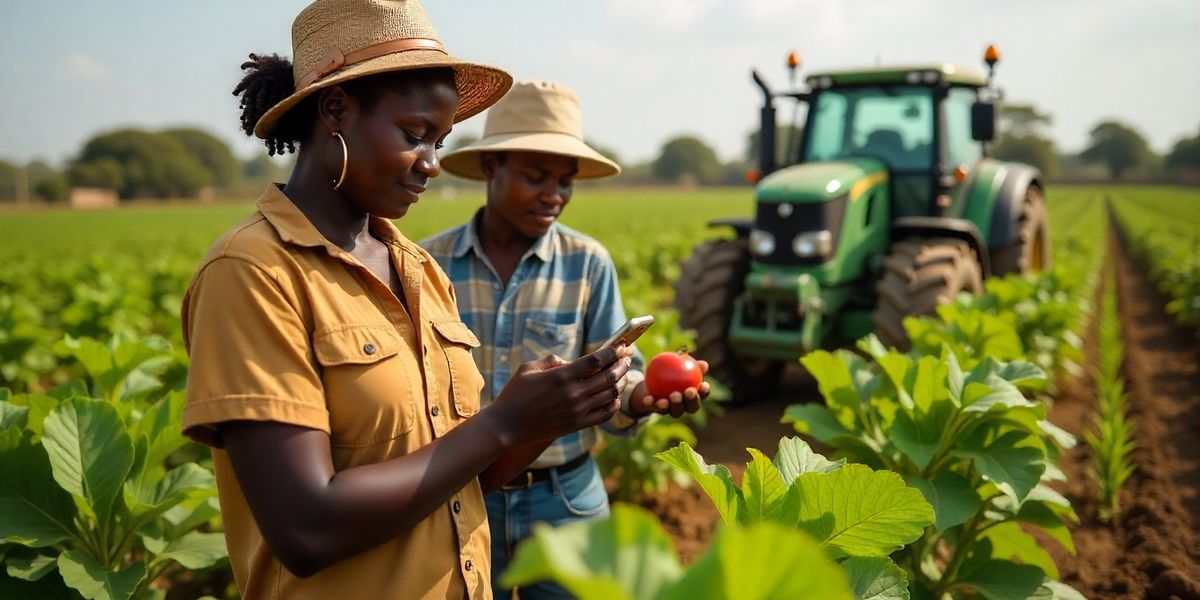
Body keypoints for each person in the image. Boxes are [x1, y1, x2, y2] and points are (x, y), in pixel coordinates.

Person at [180, 3, 634, 599]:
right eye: (415, 136)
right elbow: (306, 528)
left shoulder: (419, 269)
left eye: (439, 142)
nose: (433, 164)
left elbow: (461, 478)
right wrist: (503, 423)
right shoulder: (253, 272)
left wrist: (547, 415)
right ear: (335, 110)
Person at [422, 80, 710, 600]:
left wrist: (643, 395)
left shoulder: (587, 262)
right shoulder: (427, 264)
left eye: (565, 181)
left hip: (566, 498)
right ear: (491, 166)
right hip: (460, 495)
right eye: (535, 177)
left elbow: (620, 371)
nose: (554, 195)